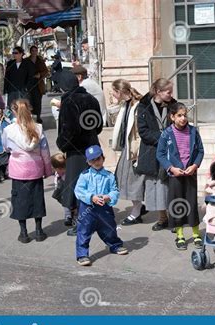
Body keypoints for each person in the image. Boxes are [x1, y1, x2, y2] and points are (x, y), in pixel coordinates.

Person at [56, 71, 103, 236]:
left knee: (77, 187)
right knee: (92, 183)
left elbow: (67, 130)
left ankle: (81, 223)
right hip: (93, 147)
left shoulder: (68, 101)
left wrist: (61, 144)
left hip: (76, 151)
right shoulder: (91, 99)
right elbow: (98, 126)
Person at [2, 99, 52, 243]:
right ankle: (39, 231)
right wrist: (47, 170)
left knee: (20, 201)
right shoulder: (38, 128)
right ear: (30, 110)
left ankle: (23, 233)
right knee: (37, 199)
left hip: (18, 170)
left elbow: (6, 148)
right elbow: (45, 152)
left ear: (13, 111)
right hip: (35, 169)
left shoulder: (8, 130)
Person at [156, 102, 204, 250]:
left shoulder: (193, 131)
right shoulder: (166, 133)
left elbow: (200, 151)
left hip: (190, 173)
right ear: (172, 117)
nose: (183, 118)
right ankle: (180, 235)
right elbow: (160, 154)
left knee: (191, 203)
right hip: (175, 175)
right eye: (179, 115)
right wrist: (171, 168)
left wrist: (194, 166)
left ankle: (196, 234)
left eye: (185, 115)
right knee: (177, 204)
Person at [74, 145, 129, 266]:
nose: (96, 162)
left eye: (98, 159)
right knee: (84, 231)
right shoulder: (84, 175)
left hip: (105, 207)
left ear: (103, 158)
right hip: (87, 209)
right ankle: (82, 254)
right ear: (88, 162)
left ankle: (115, 245)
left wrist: (108, 197)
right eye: (92, 160)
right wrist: (91, 197)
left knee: (109, 228)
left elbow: (114, 190)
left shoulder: (109, 175)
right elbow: (78, 191)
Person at [135, 78, 177, 230]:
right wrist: (162, 138)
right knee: (157, 185)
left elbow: (179, 124)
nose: (171, 95)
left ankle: (174, 217)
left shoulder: (174, 105)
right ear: (158, 92)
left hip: (170, 151)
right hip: (151, 151)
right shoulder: (143, 106)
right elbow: (143, 131)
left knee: (170, 184)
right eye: (168, 92)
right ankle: (162, 217)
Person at [110, 78, 147, 226]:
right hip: (128, 147)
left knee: (133, 181)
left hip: (134, 149)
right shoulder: (126, 105)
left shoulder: (137, 107)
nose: (111, 94)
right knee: (124, 179)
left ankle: (136, 212)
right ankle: (138, 207)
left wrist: (137, 151)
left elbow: (138, 132)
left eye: (113, 91)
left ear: (119, 92)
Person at [26, 45, 49, 123]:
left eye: (36, 51)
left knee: (37, 103)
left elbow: (46, 72)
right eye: (33, 51)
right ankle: (31, 119)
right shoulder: (26, 61)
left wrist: (40, 75)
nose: (34, 52)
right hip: (28, 85)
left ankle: (38, 118)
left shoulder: (40, 60)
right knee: (29, 102)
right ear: (30, 51)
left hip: (38, 85)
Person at [50, 152, 73, 226]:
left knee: (69, 203)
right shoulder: (57, 174)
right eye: (57, 169)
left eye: (63, 168)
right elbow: (56, 181)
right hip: (62, 191)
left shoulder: (69, 173)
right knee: (65, 204)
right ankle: (68, 215)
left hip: (69, 190)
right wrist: (57, 189)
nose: (61, 170)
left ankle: (70, 215)